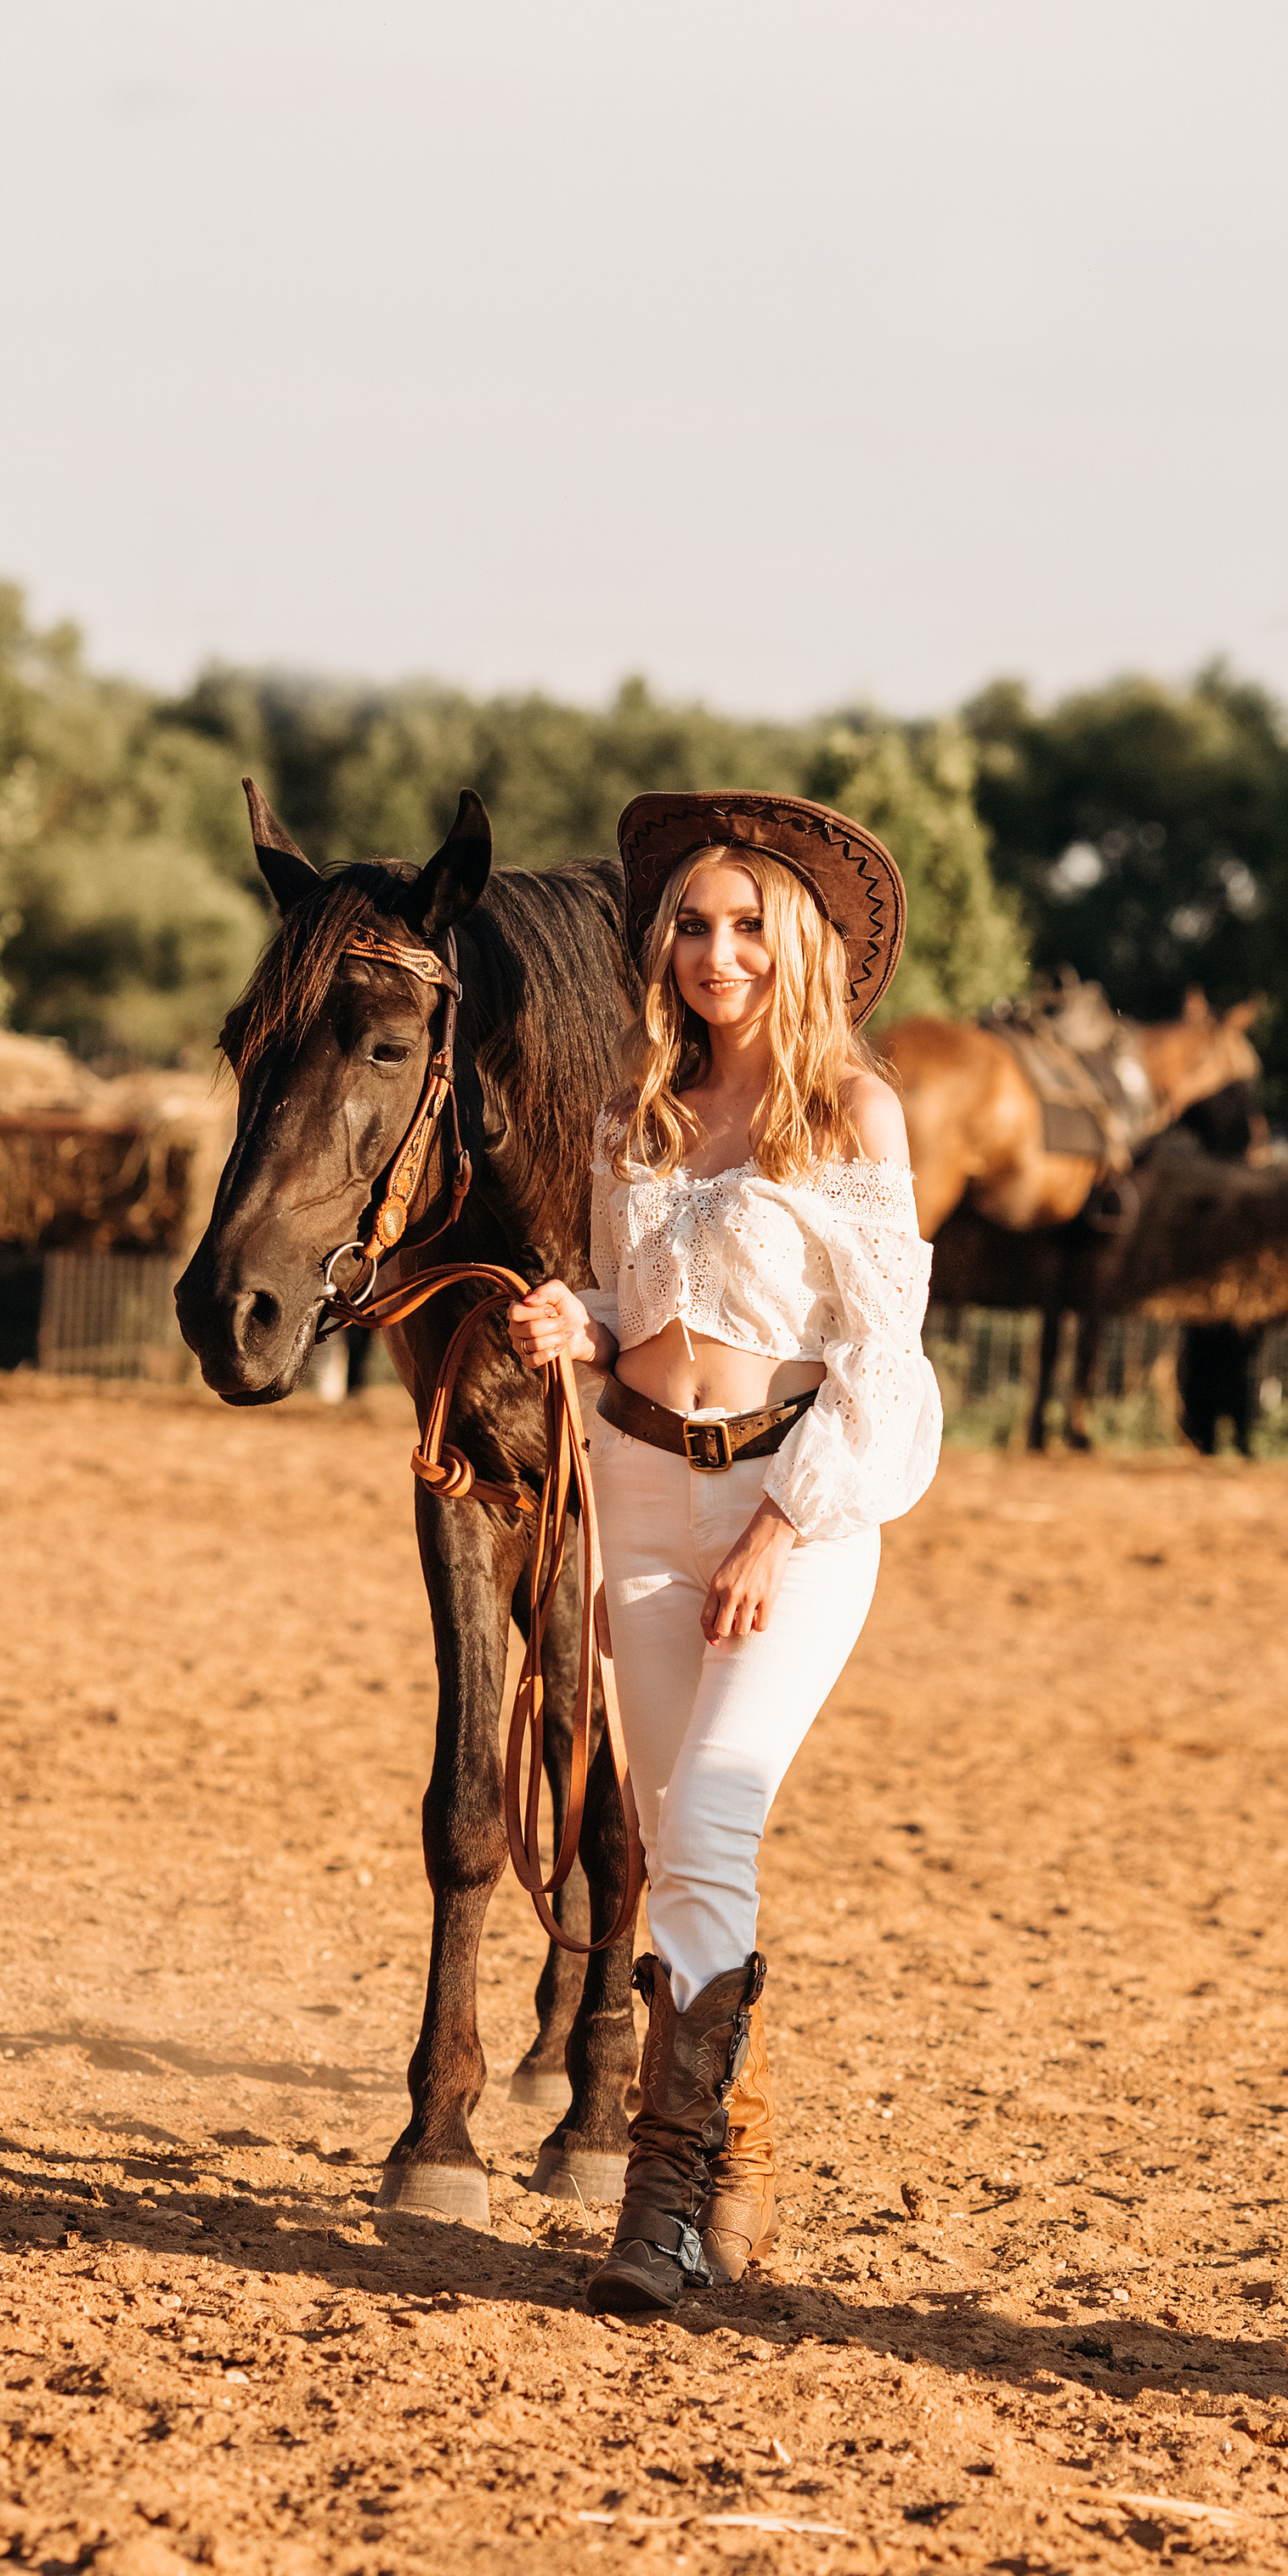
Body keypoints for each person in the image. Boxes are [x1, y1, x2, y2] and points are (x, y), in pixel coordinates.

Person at [507, 792, 942, 2320]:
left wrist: (781, 1519)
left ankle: (663, 2209)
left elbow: (884, 1362)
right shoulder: (642, 1110)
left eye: (749, 923)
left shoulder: (853, 1119)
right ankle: (732, 2159)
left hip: (791, 1507)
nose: (715, 951)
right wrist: (583, 1328)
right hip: (635, 1488)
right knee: (673, 1826)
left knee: (710, 1824)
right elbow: (639, 1313)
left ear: (804, 942)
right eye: (692, 923)